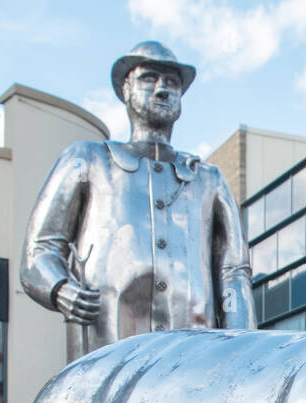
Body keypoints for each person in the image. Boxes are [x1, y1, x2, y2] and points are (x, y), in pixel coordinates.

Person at [21, 40, 255, 363]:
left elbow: (234, 271)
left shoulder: (208, 179)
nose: (162, 90)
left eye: (172, 83)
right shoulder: (86, 161)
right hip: (105, 357)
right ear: (126, 88)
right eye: (149, 79)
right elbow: (40, 251)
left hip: (194, 364)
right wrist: (61, 289)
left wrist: (244, 349)